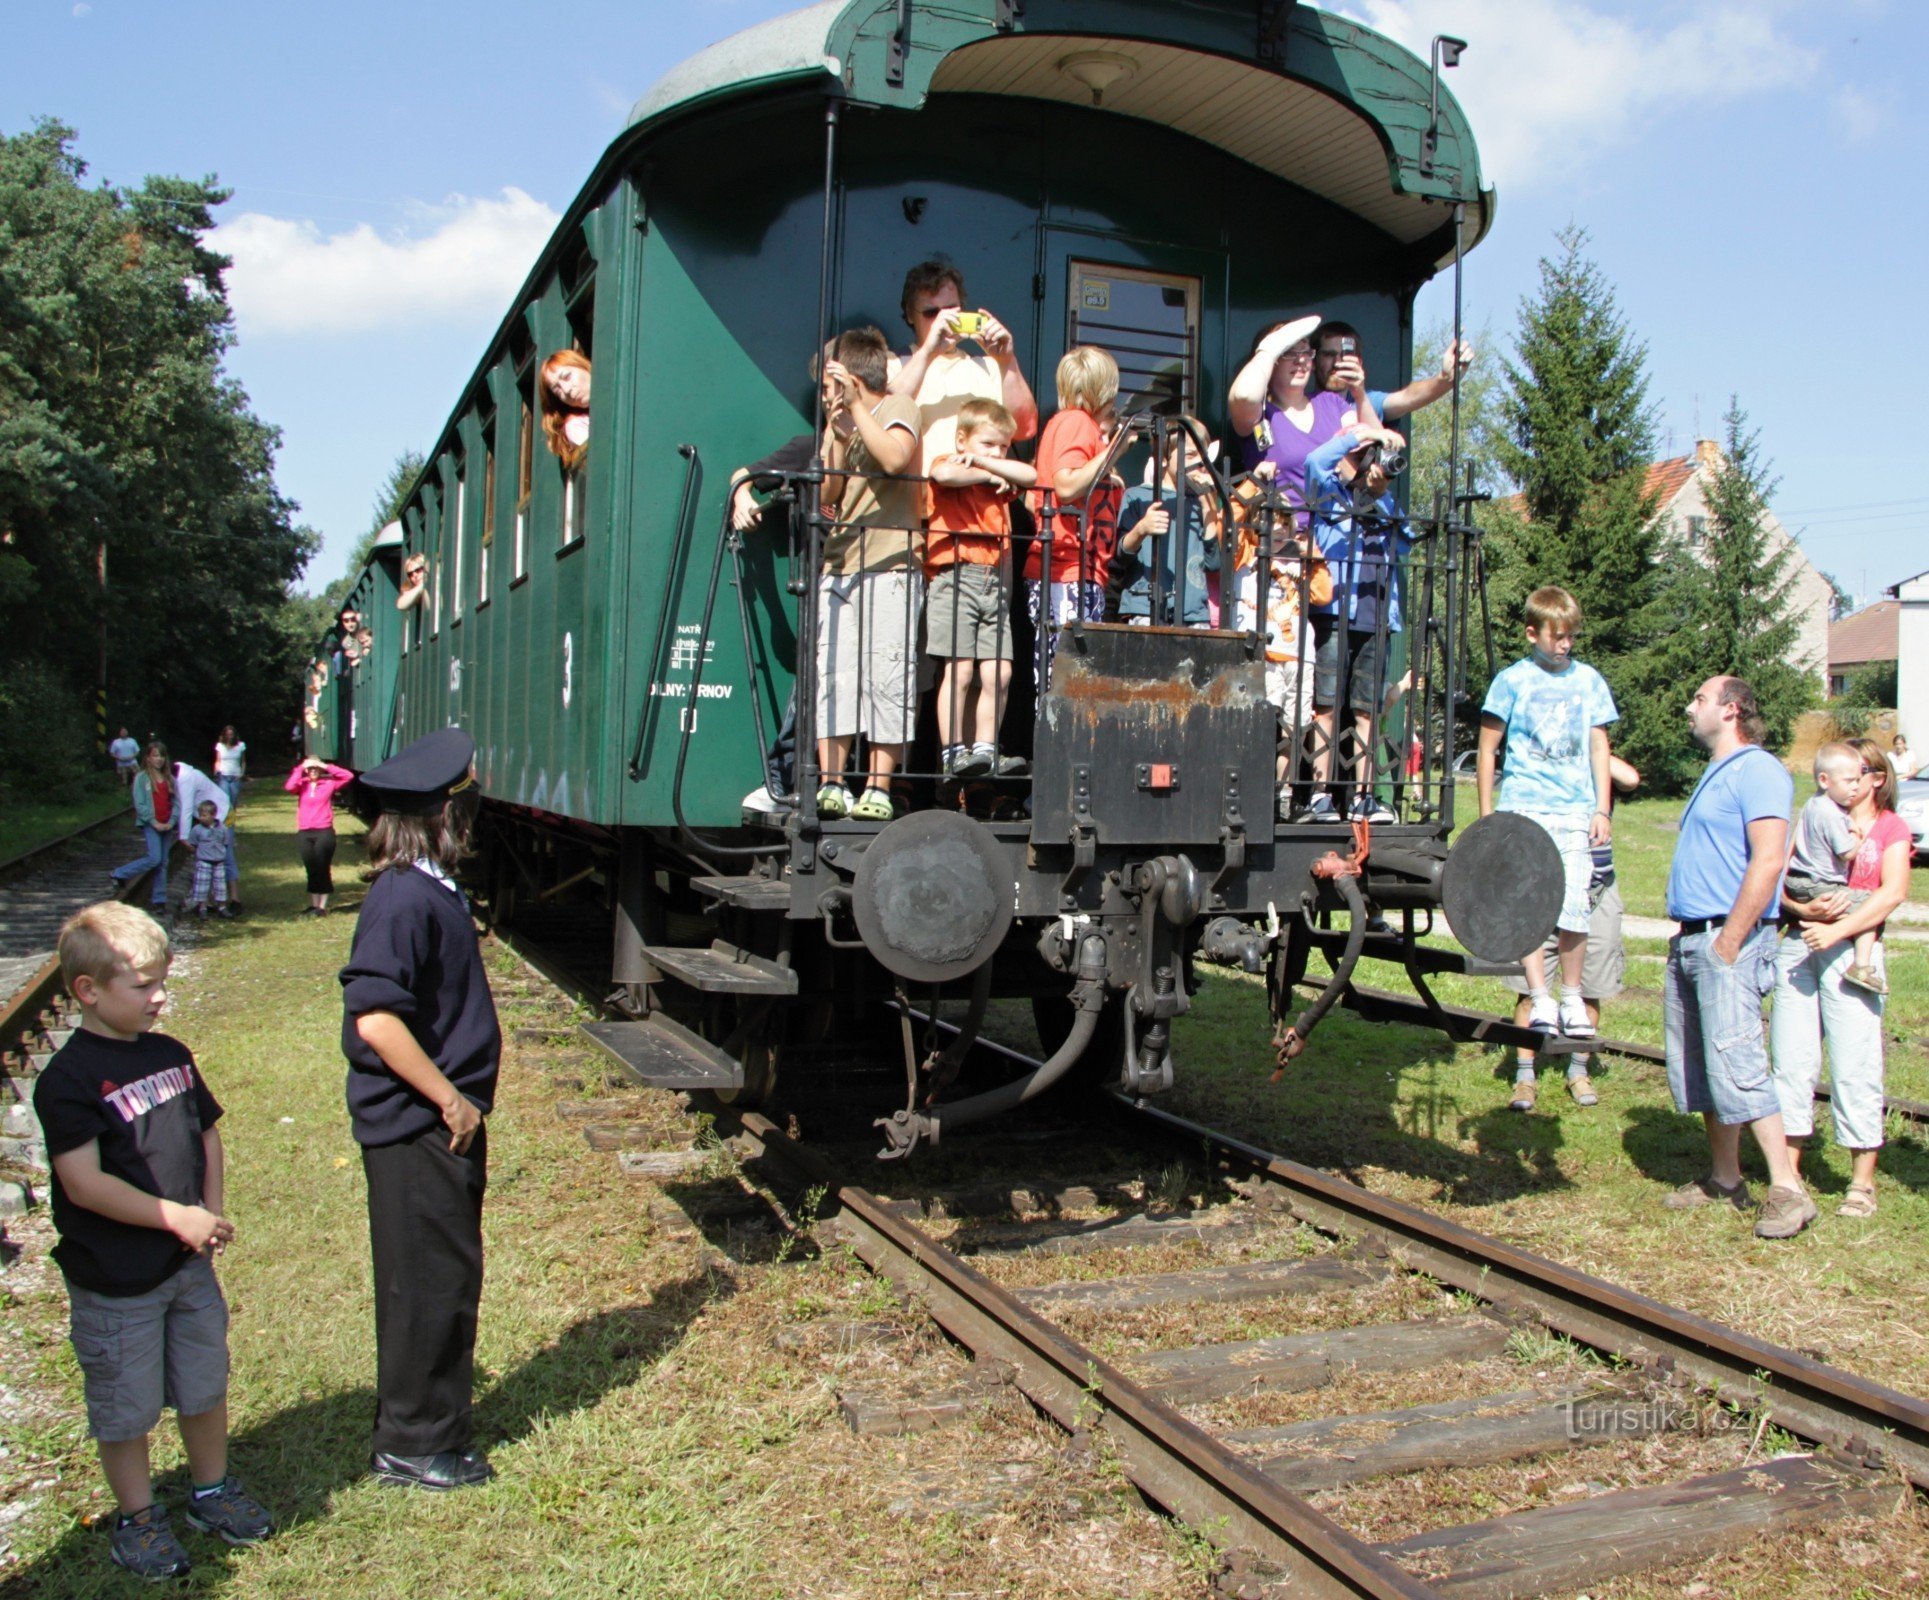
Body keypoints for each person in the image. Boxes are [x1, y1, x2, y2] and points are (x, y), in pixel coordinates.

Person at [34, 902, 272, 1578]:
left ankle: (210, 1491)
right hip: (115, 1282)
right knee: (125, 1406)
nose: (160, 996)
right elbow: (84, 1184)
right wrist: (176, 1216)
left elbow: (205, 1133)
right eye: (143, 986)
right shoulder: (68, 1080)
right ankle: (137, 1518)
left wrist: (209, 1214)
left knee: (204, 1382)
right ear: (88, 990)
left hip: (186, 1266)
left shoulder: (171, 1055)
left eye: (162, 982)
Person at [338, 727, 500, 1491]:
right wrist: (450, 1100)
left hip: (435, 1123)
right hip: (420, 1124)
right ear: (444, 812)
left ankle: (430, 1423)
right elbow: (375, 1017)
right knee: (426, 1282)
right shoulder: (403, 898)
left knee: (444, 1274)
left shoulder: (424, 886)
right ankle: (412, 1442)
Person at [1661, 676, 1810, 1239]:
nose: (1688, 706)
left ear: (1731, 709)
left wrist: (1730, 941)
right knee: (1705, 1065)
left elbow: (1769, 860)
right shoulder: (1718, 771)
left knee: (1739, 1060)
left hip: (1729, 939)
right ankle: (1726, 1179)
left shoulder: (1759, 770)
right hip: (1695, 937)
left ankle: (1788, 1189)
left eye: (1699, 699)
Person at [1771, 738, 1913, 1218]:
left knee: (1855, 1063)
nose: (1852, 779)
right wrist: (1799, 908)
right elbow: (1783, 875)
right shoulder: (1816, 812)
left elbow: (1893, 893)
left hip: (1851, 951)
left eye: (1860, 771)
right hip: (1800, 943)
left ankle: (1861, 1182)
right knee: (1790, 1060)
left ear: (1877, 778)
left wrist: (1837, 931)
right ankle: (1787, 1176)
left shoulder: (1891, 827)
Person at [1477, 586, 1618, 1032]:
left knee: (1575, 904)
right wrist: (1488, 815)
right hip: (1524, 808)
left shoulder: (1588, 681)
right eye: (1557, 636)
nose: (1566, 645)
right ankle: (1540, 997)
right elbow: (1487, 750)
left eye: (1571, 636)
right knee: (1528, 906)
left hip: (1574, 810)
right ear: (1531, 633)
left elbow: (1599, 747)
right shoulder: (1511, 681)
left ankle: (1571, 997)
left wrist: (1601, 809)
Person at [813, 327, 922, 821]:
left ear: (852, 380)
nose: (825, 395)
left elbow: (896, 459)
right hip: (841, 565)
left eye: (829, 385)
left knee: (887, 676)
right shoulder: (842, 422)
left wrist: (856, 409)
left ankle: (878, 788)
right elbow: (828, 494)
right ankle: (833, 782)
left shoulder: (899, 406)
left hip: (890, 564)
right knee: (835, 675)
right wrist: (836, 435)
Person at [1506, 753, 1640, 1110]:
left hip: (1596, 891)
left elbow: (1630, 779)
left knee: (1590, 989)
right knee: (1528, 992)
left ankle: (1578, 1071)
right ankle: (1524, 1077)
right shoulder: (1541, 763)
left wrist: (1588, 744)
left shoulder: (1593, 756)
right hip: (1544, 887)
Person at [1300, 423, 1417, 824]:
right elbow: (1315, 460)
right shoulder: (1329, 492)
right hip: (1335, 614)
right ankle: (1320, 797)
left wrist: (1380, 492)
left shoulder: (1385, 503)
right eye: (1368, 455)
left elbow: (1407, 540)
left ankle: (1363, 798)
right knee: (1327, 706)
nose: (1373, 464)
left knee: (1367, 711)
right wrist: (1363, 436)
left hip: (1376, 618)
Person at [924, 397, 1034, 780]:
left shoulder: (999, 476)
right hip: (956, 576)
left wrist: (990, 465)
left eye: (1003, 446)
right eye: (987, 443)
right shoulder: (951, 462)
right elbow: (943, 476)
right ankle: (953, 752)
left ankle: (986, 750)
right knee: (958, 672)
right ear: (962, 440)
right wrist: (985, 472)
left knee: (999, 674)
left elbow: (1030, 474)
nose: (996, 453)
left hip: (994, 584)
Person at [1026, 346, 1127, 685]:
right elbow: (1066, 485)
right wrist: (1113, 452)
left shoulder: (1070, 423)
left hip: (1074, 568)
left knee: (1068, 676)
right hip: (1067, 567)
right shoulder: (1077, 422)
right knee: (1068, 678)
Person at [888, 259, 1038, 462]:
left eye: (951, 311)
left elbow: (1025, 428)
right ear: (910, 315)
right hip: (924, 481)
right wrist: (929, 351)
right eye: (931, 313)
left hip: (979, 482)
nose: (943, 320)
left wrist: (1007, 361)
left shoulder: (989, 366)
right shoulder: (894, 364)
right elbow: (881, 419)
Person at [1228, 315, 1366, 529]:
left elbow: (1368, 457)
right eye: (1289, 352)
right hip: (1281, 541)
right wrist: (1269, 348)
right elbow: (1244, 395)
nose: (1300, 360)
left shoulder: (1331, 403)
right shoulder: (1260, 415)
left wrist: (1360, 393)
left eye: (1305, 352)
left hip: (1335, 538)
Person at [1783, 743, 1884, 993]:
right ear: (1824, 780)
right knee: (1870, 908)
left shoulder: (1811, 804)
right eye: (1849, 781)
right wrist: (1857, 837)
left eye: (1858, 780)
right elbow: (1846, 852)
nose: (1855, 787)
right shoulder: (1832, 813)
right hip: (1821, 884)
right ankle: (1861, 966)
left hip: (1797, 881)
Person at [1106, 420, 1221, 628]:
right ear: (1165, 458)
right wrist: (1141, 529)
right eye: (1190, 455)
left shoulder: (1203, 501)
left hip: (1192, 610)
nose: (1199, 463)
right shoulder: (1138, 496)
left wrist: (1208, 512)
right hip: (1145, 605)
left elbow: (1213, 563)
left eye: (1204, 456)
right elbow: (1120, 556)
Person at [1310, 320, 1473, 423]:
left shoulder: (1367, 403)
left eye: (1345, 356)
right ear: (1313, 362)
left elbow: (1408, 396)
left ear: (1359, 363)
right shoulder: (1301, 406)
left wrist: (1445, 379)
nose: (1337, 363)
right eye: (1328, 355)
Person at [287, 755, 356, 915]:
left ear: (320, 769)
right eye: (310, 769)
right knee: (310, 867)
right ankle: (313, 904)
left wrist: (325, 766)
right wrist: (300, 768)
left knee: (322, 867)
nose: (313, 771)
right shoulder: (302, 785)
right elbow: (289, 786)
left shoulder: (328, 783)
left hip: (324, 831)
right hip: (305, 831)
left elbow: (348, 776)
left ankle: (322, 907)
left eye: (315, 768)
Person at [112, 743, 176, 910]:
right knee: (154, 858)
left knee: (163, 862)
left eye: (161, 756)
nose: (159, 759)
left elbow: (176, 803)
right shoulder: (141, 778)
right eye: (155, 755)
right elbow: (140, 804)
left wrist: (171, 821)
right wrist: (154, 822)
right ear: (148, 758)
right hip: (151, 824)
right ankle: (121, 873)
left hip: (167, 824)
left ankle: (159, 899)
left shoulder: (170, 778)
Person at [170, 760, 237, 913]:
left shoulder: (185, 780)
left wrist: (183, 837)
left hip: (221, 814)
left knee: (225, 857)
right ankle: (211, 901)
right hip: (212, 816)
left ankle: (234, 900)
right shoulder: (185, 774)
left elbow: (186, 808)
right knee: (210, 861)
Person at [539, 349, 591, 470]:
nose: (566, 390)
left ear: (583, 365)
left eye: (567, 377)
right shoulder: (576, 425)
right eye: (557, 390)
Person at [186, 801, 233, 921]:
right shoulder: (197, 829)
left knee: (220, 886)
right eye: (200, 815)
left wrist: (221, 853)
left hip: (219, 861)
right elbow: (193, 843)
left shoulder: (222, 829)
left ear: (213, 815)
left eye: (204, 815)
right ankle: (202, 907)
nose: (201, 818)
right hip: (204, 861)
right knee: (202, 885)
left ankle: (222, 907)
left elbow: (225, 843)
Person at [213, 727, 246, 808]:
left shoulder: (241, 745)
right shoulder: (220, 745)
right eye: (227, 734)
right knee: (225, 799)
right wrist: (216, 770)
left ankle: (232, 815)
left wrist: (242, 773)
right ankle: (226, 815)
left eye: (231, 734)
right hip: (223, 775)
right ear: (224, 735)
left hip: (235, 776)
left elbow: (243, 761)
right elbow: (218, 760)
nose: (230, 736)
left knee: (233, 800)